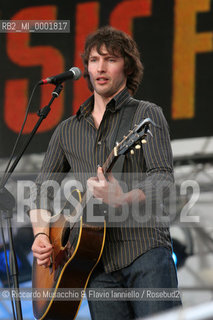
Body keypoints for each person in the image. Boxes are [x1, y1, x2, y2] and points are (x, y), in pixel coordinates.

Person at [30, 26, 181, 319]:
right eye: (94, 59)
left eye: (110, 59)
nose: (100, 67)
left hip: (145, 252)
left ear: (127, 66)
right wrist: (40, 235)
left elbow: (163, 178)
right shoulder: (67, 129)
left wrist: (122, 198)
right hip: (91, 266)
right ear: (86, 67)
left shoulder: (145, 114)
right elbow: (41, 189)